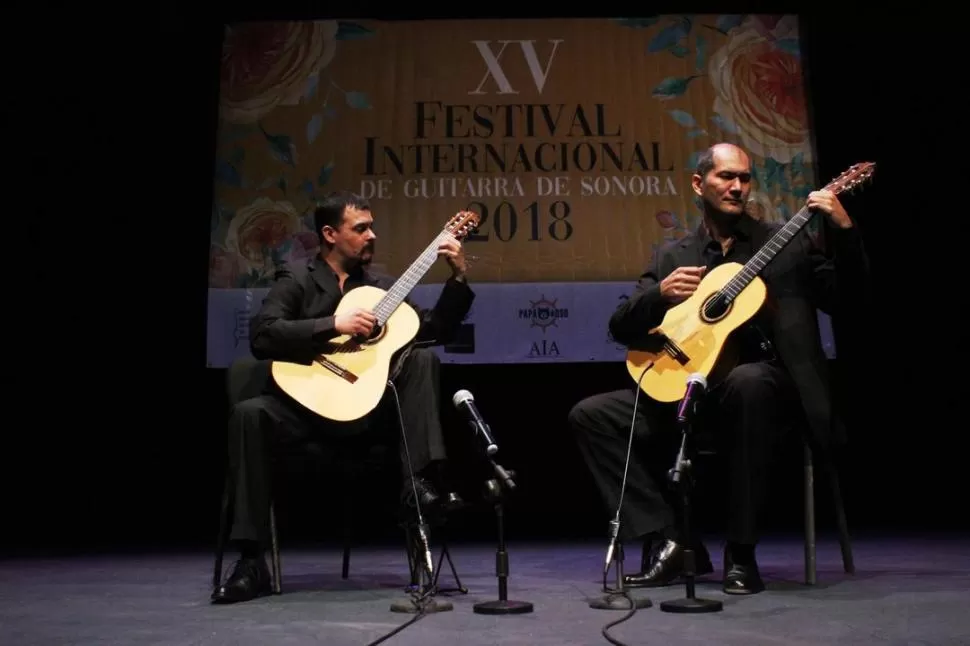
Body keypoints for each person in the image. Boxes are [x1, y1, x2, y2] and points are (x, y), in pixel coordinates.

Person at [568, 143, 869, 595]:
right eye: (726, 177)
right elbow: (621, 326)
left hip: (765, 394)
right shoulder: (674, 257)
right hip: (691, 395)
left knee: (749, 382)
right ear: (698, 183)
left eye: (745, 178)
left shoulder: (783, 242)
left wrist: (843, 231)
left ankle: (741, 553)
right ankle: (674, 540)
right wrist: (659, 296)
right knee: (591, 414)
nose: (737, 187)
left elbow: (848, 300)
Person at [212, 190, 475, 604]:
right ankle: (250, 561)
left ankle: (422, 491)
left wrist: (457, 277)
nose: (372, 235)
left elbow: (435, 329)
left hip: (366, 421)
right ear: (330, 234)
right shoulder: (295, 280)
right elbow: (263, 335)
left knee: (422, 359)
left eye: (372, 227)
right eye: (361, 228)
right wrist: (334, 323)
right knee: (248, 414)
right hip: (303, 414)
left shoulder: (382, 290)